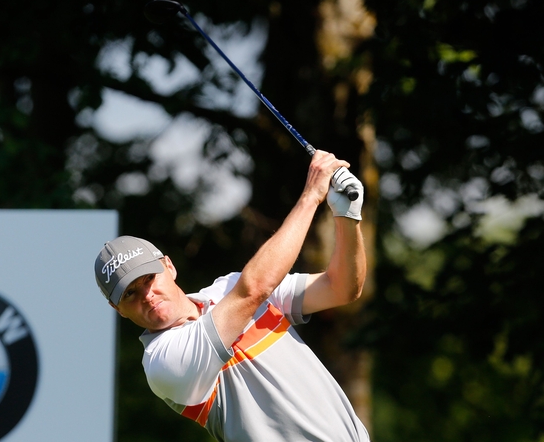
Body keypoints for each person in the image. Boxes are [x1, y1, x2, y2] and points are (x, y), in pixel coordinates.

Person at [94, 150, 369, 442]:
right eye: (130, 293)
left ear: (169, 266)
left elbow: (341, 287)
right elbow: (254, 290)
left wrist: (347, 215)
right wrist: (311, 196)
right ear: (117, 308)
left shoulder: (228, 287)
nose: (147, 295)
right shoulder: (162, 361)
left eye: (149, 278)